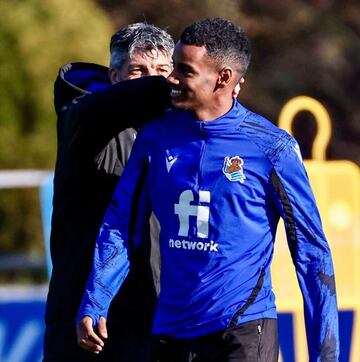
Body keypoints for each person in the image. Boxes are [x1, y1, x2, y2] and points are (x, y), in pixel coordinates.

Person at [77, 18, 339, 361]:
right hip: (172, 330)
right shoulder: (155, 138)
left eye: (184, 70)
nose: (170, 78)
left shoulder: (271, 148)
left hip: (243, 330)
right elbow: (121, 223)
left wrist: (326, 354)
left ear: (223, 78)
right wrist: (96, 297)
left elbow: (311, 253)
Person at [44, 23, 174, 362]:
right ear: (114, 77)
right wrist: (186, 84)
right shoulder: (82, 117)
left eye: (163, 70)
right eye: (139, 71)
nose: (153, 79)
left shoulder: (180, 135)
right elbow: (120, 104)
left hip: (157, 316)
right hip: (85, 321)